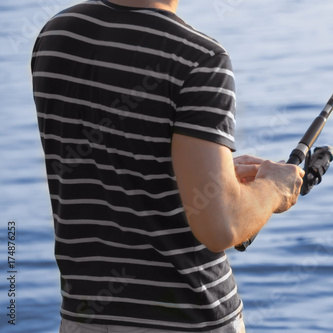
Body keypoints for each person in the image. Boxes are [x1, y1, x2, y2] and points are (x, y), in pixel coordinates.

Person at [31, 0, 304, 332]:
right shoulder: (201, 60)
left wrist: (210, 174)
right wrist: (273, 188)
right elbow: (220, 227)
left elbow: (109, 161)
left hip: (83, 316)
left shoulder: (57, 34)